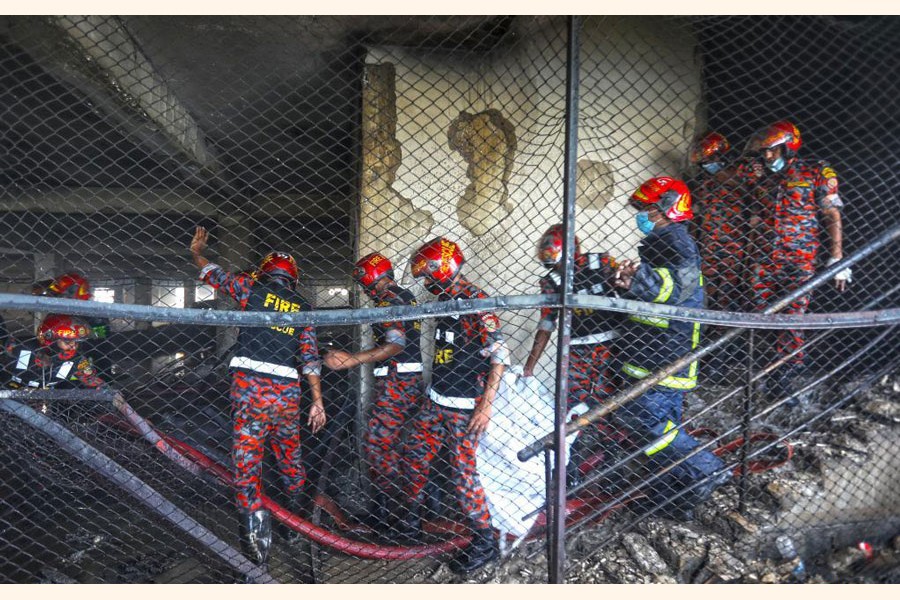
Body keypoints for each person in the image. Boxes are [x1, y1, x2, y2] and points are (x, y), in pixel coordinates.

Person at [190, 226, 325, 572]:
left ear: (265, 272)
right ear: (292, 279)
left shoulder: (251, 288)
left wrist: (197, 252)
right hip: (286, 396)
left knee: (248, 464)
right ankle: (297, 527)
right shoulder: (302, 307)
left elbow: (212, 274)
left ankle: (255, 547)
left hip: (250, 392)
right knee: (290, 459)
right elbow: (310, 358)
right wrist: (317, 401)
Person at [613, 176, 729, 520]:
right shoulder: (662, 242)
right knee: (661, 428)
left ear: (666, 208)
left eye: (647, 209)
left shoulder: (677, 243)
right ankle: (673, 499)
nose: (641, 216)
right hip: (655, 353)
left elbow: (681, 292)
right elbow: (658, 294)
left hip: (664, 358)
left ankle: (706, 467)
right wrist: (629, 284)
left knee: (644, 422)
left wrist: (639, 280)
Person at [403, 236, 509, 574]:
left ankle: (484, 542)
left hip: (465, 406)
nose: (426, 282)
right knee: (414, 453)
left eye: (427, 274)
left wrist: (485, 406)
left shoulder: (475, 300)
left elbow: (499, 356)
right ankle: (413, 520)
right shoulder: (445, 301)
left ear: (441, 267)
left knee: (465, 476)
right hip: (436, 400)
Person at [743, 120, 849, 401]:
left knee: (792, 319)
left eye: (773, 151)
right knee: (761, 315)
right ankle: (766, 368)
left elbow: (832, 215)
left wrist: (837, 258)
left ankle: (785, 376)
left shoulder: (816, 172)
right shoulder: (762, 178)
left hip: (798, 260)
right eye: (764, 151)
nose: (767, 157)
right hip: (764, 260)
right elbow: (755, 220)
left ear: (789, 147)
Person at [522, 224, 629, 488]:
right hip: (578, 350)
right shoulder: (551, 281)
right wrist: (530, 365)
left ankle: (612, 464)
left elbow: (628, 293)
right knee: (571, 407)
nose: (552, 265)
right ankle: (569, 467)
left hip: (611, 345)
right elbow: (547, 323)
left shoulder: (601, 262)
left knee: (611, 403)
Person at [323, 252, 425, 531]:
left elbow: (396, 344)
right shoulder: (405, 295)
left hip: (397, 378)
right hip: (405, 378)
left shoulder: (388, 299)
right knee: (391, 444)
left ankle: (397, 511)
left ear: (368, 276)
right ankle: (391, 510)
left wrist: (351, 359)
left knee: (377, 443)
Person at [687, 132, 750, 382]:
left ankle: (719, 363)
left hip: (736, 255)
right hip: (709, 253)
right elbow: (697, 219)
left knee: (727, 309)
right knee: (705, 307)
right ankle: (704, 362)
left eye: (708, 161)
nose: (706, 167)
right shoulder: (705, 185)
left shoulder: (744, 178)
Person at [39, 272, 110, 339]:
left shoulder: (95, 315)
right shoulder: (55, 314)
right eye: (59, 295)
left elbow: (102, 339)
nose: (62, 298)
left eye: (66, 295)